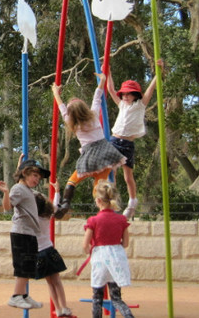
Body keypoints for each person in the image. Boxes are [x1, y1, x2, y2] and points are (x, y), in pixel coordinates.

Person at [51, 73, 126, 219]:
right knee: (99, 187)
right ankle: (109, 207)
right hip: (106, 155)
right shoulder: (93, 116)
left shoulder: (73, 124)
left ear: (72, 114)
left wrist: (55, 92)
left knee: (72, 181)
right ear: (84, 109)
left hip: (90, 157)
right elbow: (97, 98)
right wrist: (102, 81)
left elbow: (62, 108)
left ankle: (66, 203)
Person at [107, 60, 164, 219]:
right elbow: (111, 89)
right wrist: (108, 70)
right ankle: (112, 200)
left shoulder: (140, 105)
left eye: (129, 94)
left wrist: (158, 72)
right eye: (124, 94)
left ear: (135, 95)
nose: (125, 96)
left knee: (128, 175)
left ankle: (133, 202)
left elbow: (151, 90)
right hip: (114, 141)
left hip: (127, 143)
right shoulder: (121, 105)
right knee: (111, 173)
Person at [0, 157, 50, 310]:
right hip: (21, 233)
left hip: (29, 233)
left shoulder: (26, 189)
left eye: (39, 177)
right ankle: (16, 296)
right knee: (23, 266)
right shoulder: (18, 189)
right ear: (25, 174)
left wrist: (20, 165)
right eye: (35, 175)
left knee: (29, 266)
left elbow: (21, 177)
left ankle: (23, 295)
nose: (37, 179)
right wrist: (6, 192)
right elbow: (7, 207)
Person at [83, 181, 134, 318]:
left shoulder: (93, 220)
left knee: (97, 297)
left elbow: (85, 244)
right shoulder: (121, 219)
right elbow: (126, 243)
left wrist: (91, 251)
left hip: (100, 258)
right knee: (116, 298)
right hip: (117, 257)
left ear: (98, 200)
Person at [34, 182, 71, 317]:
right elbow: (55, 206)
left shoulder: (31, 218)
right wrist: (57, 191)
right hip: (49, 250)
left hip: (38, 254)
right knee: (57, 281)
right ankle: (64, 307)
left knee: (49, 282)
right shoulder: (46, 216)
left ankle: (58, 308)